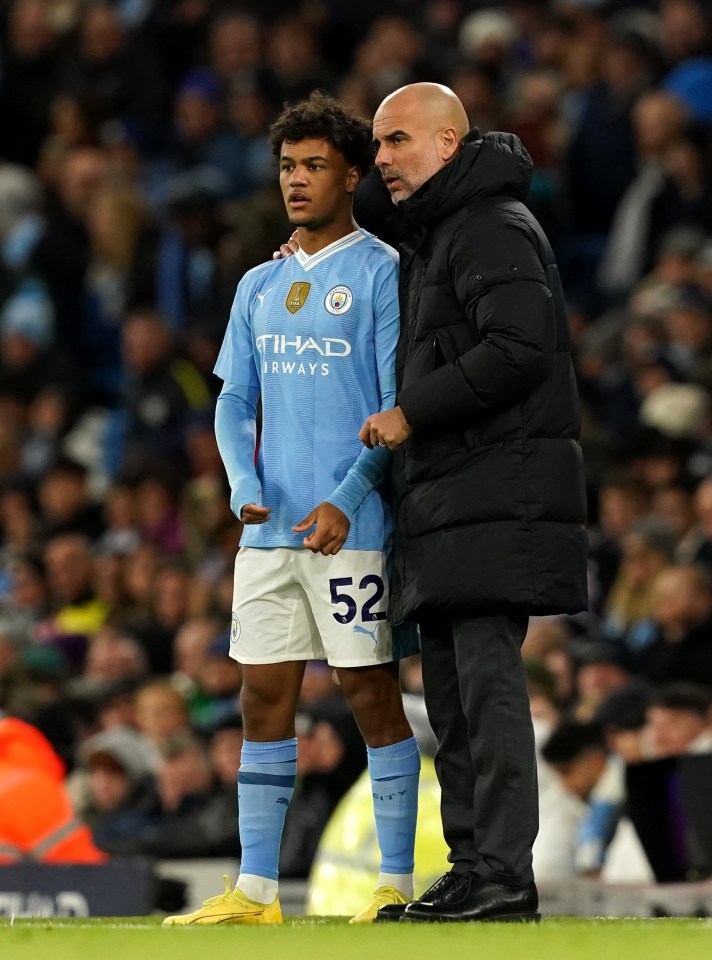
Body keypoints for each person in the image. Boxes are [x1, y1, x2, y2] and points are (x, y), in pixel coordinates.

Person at [163, 91, 420, 926]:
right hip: (269, 532)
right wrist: (242, 484)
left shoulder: (383, 273)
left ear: (352, 174)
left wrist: (347, 499)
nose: (297, 181)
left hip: (355, 532)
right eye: (286, 167)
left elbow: (393, 409)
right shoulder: (258, 282)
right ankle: (258, 891)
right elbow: (235, 401)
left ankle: (394, 882)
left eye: (314, 166)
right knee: (260, 699)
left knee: (369, 694)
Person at [359, 82, 587, 922]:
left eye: (397, 141)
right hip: (454, 500)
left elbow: (521, 349)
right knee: (453, 700)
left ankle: (503, 874)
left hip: (497, 493)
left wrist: (412, 411)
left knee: (486, 693)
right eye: (377, 145)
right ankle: (473, 866)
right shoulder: (439, 233)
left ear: (449, 145)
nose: (380, 159)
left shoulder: (490, 225)